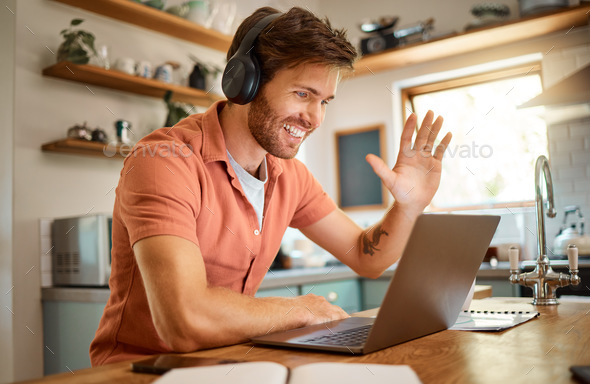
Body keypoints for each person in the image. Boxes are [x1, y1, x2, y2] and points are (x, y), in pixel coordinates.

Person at [89, 6, 452, 366]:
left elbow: (364, 257)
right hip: (139, 373)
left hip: (228, 365)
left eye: (324, 101)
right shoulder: (164, 160)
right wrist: (301, 309)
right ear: (245, 81)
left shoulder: (289, 175)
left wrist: (407, 207)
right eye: (303, 94)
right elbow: (184, 321)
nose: (314, 119)